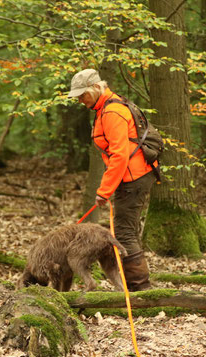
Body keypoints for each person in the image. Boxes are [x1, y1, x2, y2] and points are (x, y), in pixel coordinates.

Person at [67, 68, 157, 292]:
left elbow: (119, 155)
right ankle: (131, 286)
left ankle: (140, 290)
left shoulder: (112, 112)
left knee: (123, 232)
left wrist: (104, 191)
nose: (80, 100)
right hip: (131, 177)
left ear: (97, 88)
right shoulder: (105, 108)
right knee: (126, 230)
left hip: (133, 177)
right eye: (77, 96)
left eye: (82, 95)